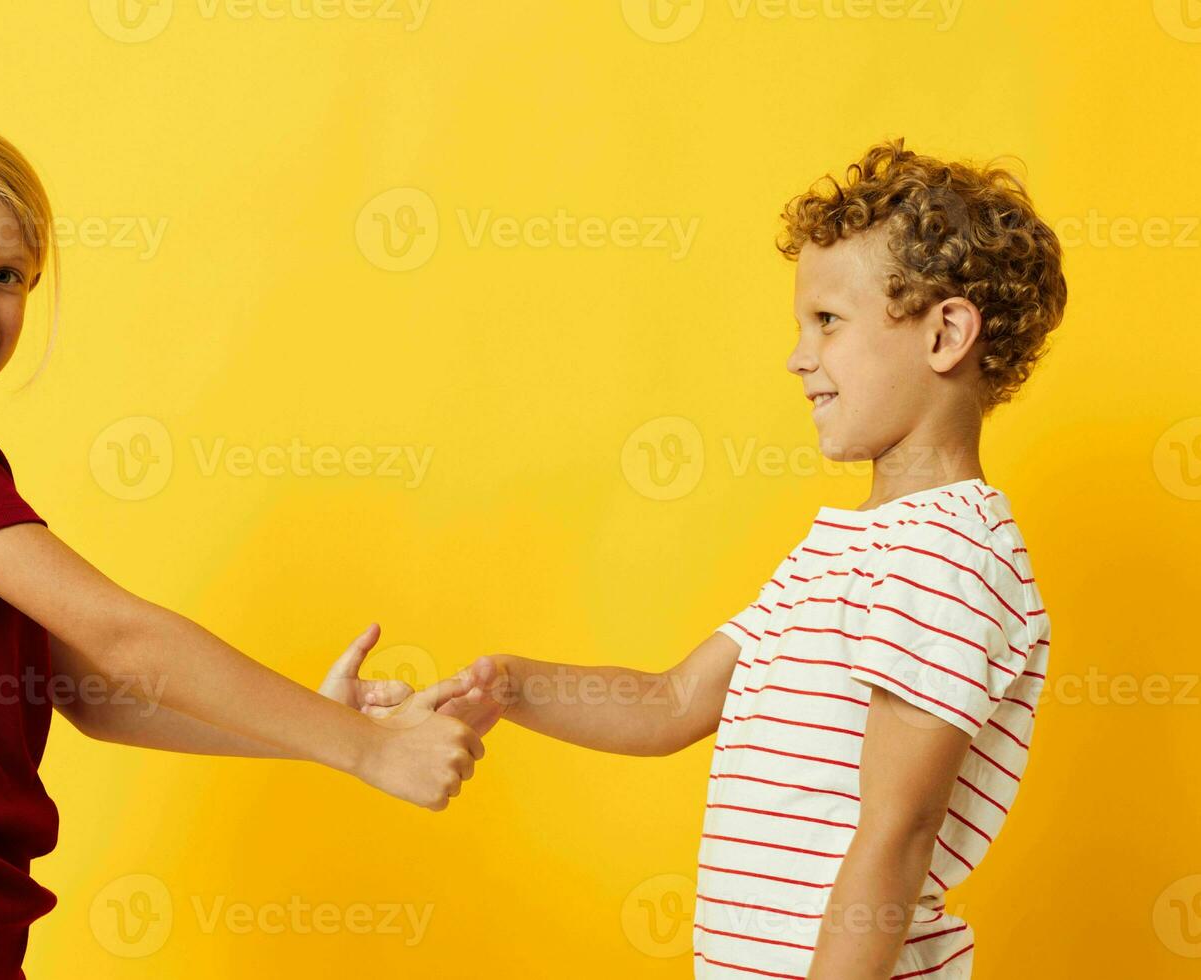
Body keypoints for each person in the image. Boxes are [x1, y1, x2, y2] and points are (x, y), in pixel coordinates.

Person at [0, 112, 496, 980]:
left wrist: (324, 725)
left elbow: (92, 693)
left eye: (7, 274)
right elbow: (123, 636)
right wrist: (370, 749)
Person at [435, 139, 1064, 978]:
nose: (798, 357)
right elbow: (669, 704)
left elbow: (897, 831)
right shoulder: (852, 547)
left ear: (945, 332)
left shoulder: (940, 557)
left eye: (828, 322)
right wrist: (507, 684)